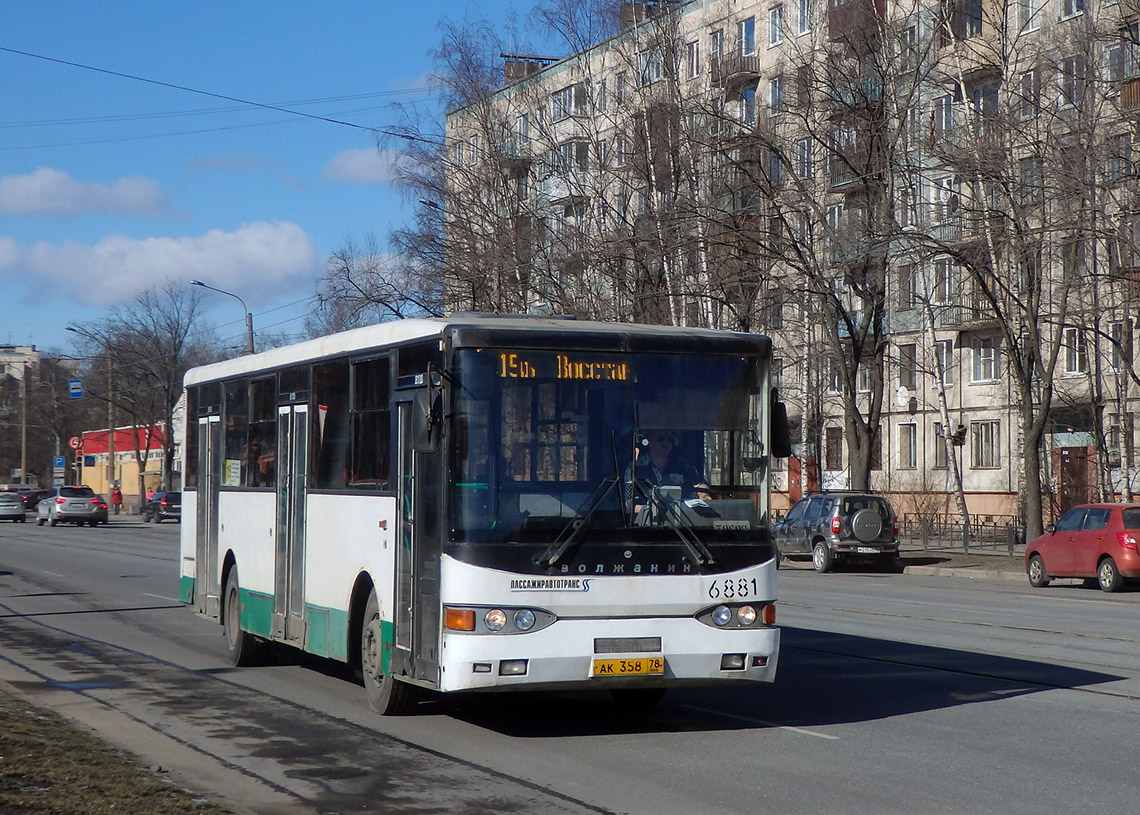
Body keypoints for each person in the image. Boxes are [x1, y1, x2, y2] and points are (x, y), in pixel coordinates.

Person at [627, 430, 711, 510]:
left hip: (683, 521)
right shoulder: (635, 468)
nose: (665, 443)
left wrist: (703, 495)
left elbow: (700, 483)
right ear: (649, 441)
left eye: (669, 439)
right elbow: (628, 505)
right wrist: (653, 510)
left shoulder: (683, 465)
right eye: (660, 439)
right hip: (645, 522)